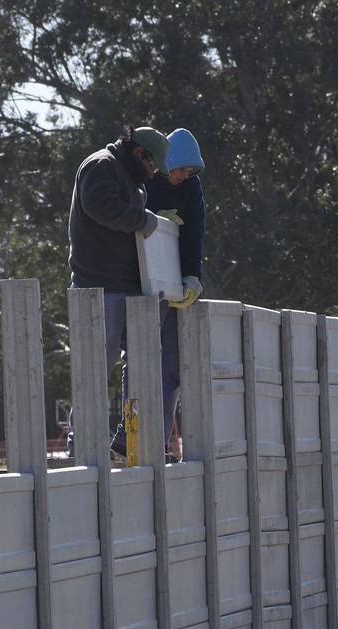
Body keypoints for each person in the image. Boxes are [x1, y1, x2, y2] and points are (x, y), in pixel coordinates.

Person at [67, 125, 174, 461]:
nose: (153, 173)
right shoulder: (101, 166)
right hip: (100, 289)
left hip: (129, 288)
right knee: (95, 368)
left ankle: (131, 442)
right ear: (140, 153)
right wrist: (142, 219)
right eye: (153, 165)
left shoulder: (128, 177)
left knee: (139, 367)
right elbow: (99, 206)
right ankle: (82, 445)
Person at [144, 127, 207, 461]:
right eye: (184, 168)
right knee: (131, 360)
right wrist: (154, 219)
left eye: (193, 171)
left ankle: (159, 441)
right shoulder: (148, 180)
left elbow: (195, 229)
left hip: (172, 285)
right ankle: (121, 440)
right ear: (169, 163)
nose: (187, 175)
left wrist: (192, 276)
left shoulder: (191, 187)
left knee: (171, 367)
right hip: (138, 284)